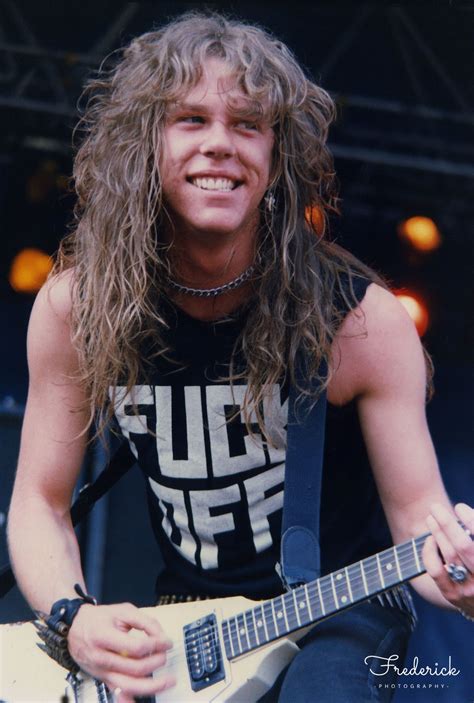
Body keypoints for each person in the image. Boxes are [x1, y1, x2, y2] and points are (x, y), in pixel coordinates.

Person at [7, 10, 473, 703]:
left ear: (277, 157)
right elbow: (39, 503)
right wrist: (75, 619)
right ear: (144, 145)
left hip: (342, 610)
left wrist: (462, 574)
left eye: (248, 124)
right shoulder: (79, 307)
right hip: (190, 624)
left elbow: (421, 525)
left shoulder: (359, 321)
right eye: (191, 119)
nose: (220, 144)